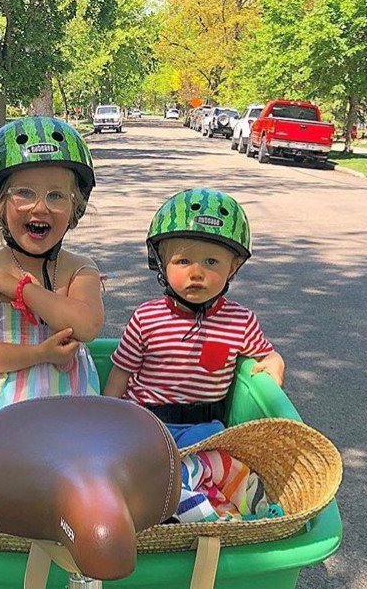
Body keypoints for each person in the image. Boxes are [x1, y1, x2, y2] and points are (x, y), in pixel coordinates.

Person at [0, 117, 104, 435]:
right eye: (24, 193)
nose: (40, 207)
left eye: (57, 196)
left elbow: (86, 326)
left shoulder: (79, 268)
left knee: (73, 466)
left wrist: (21, 290)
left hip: (67, 408)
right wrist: (39, 354)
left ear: (76, 208)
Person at [104, 188, 285, 448]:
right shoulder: (146, 318)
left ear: (232, 268)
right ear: (162, 263)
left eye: (211, 262)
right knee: (133, 465)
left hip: (204, 428)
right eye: (183, 260)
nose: (196, 273)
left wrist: (275, 363)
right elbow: (121, 372)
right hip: (145, 420)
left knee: (223, 465)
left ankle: (192, 487)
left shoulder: (241, 321)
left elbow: (267, 355)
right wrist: (107, 413)